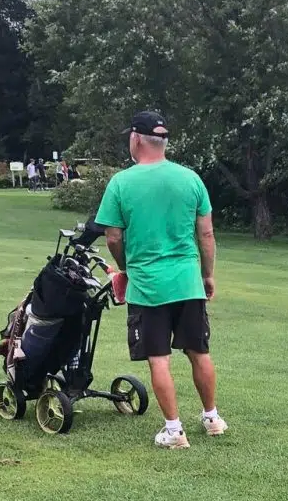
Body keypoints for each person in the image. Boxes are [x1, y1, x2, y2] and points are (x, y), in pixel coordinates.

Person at [94, 110, 226, 449]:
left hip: (148, 284)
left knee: (158, 357)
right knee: (199, 351)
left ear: (136, 139)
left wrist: (125, 267)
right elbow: (206, 234)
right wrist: (207, 275)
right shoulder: (191, 179)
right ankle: (212, 417)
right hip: (187, 281)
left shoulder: (122, 183)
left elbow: (112, 237)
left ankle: (173, 429)